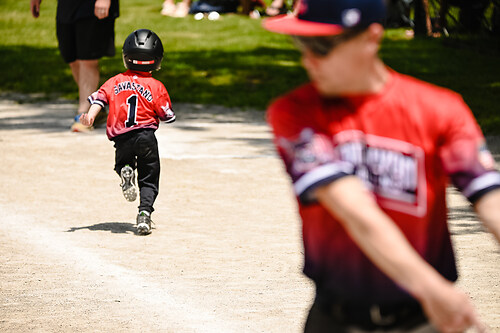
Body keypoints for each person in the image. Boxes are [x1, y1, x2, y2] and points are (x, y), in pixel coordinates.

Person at [262, 0, 500, 332]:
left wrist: (433, 294)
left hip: (423, 319)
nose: (308, 59)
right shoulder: (296, 112)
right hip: (338, 318)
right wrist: (431, 288)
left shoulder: (440, 109)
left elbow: (489, 197)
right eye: (302, 44)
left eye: (321, 46)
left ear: (371, 38)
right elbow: (355, 209)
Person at [79, 29, 176, 235]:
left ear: (126, 57)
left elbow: (99, 99)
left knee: (122, 163)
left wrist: (90, 116)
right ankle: (144, 214)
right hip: (146, 138)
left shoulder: (114, 81)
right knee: (149, 177)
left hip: (122, 138)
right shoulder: (156, 86)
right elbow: (167, 114)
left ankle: (125, 170)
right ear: (157, 60)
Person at [30, 0, 119, 132]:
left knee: (87, 58)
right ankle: (96, 108)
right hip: (67, 5)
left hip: (92, 5)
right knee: (72, 57)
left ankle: (84, 114)